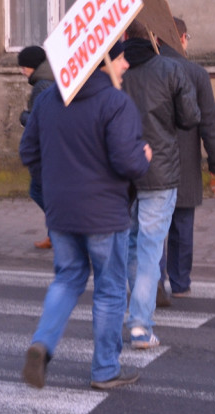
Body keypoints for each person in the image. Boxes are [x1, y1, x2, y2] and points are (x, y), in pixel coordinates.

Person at [19, 46, 151, 390]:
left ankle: (42, 344)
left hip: (60, 209)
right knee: (109, 289)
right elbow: (128, 163)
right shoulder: (115, 103)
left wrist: (55, 180)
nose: (124, 64)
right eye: (120, 58)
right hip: (104, 213)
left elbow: (28, 152)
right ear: (101, 63)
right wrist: (143, 155)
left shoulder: (48, 100)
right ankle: (105, 369)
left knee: (66, 279)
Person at [121, 22, 200, 349]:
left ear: (124, 38)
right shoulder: (170, 69)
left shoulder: (114, 71)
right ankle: (140, 325)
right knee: (151, 250)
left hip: (121, 172)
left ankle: (133, 307)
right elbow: (190, 117)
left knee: (130, 244)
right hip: (160, 169)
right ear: (153, 37)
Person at [157, 18, 215, 301]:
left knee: (152, 227)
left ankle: (154, 281)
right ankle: (181, 283)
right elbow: (209, 123)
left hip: (151, 163)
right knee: (182, 224)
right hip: (184, 161)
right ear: (182, 38)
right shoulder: (197, 73)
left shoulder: (143, 70)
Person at [17, 45, 55, 250]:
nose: (22, 71)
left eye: (24, 67)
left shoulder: (42, 85)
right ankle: (54, 233)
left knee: (39, 191)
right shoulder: (48, 79)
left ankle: (59, 229)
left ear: (33, 66)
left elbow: (43, 118)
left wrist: (25, 117)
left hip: (44, 150)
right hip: (47, 149)